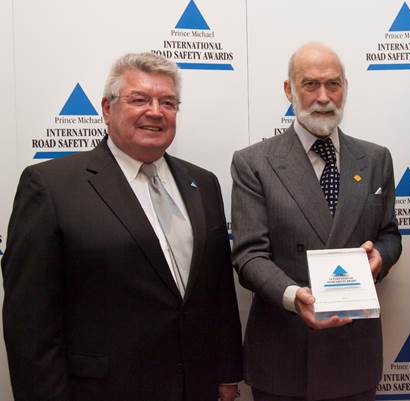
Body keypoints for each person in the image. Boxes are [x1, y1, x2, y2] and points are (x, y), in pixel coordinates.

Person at [2, 52, 242, 401]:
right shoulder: (51, 187)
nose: (156, 111)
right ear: (106, 108)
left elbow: (218, 293)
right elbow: (30, 323)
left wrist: (226, 373)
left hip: (197, 387)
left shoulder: (202, 184)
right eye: (139, 99)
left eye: (168, 102)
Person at [230, 42, 401, 401]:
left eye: (333, 84)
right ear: (289, 90)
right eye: (310, 84)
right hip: (284, 355)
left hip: (353, 354)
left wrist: (380, 258)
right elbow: (249, 256)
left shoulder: (375, 159)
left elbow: (389, 235)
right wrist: (295, 297)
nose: (323, 97)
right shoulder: (254, 163)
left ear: (345, 88)